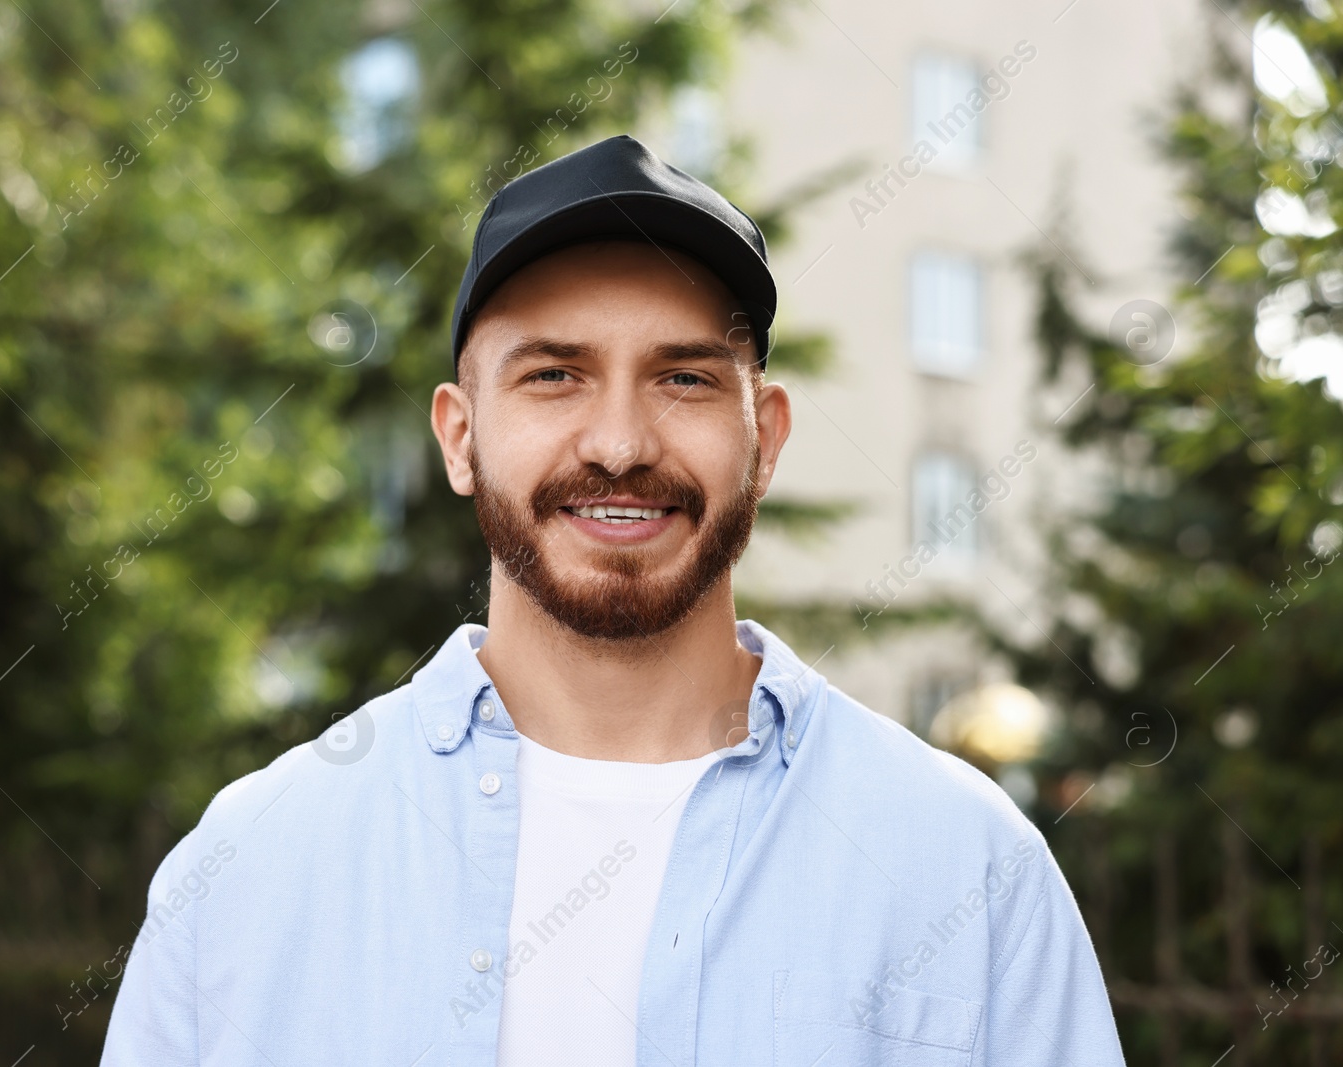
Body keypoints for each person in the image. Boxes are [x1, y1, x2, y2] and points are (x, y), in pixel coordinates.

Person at [100, 135, 1125, 1067]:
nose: (621, 443)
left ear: (763, 435)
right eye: (554, 375)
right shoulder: (252, 868)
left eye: (682, 378)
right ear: (459, 436)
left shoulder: (966, 867)